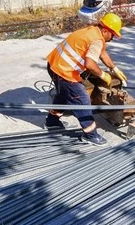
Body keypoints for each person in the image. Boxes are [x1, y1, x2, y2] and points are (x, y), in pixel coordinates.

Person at [45, 12, 128, 146]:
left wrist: (114, 69)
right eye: (113, 34)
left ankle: (52, 121)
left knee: (64, 94)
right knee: (82, 100)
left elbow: (102, 53)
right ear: (106, 30)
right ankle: (90, 134)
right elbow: (89, 64)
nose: (113, 38)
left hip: (53, 64)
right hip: (64, 71)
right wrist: (103, 75)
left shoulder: (94, 31)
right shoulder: (96, 40)